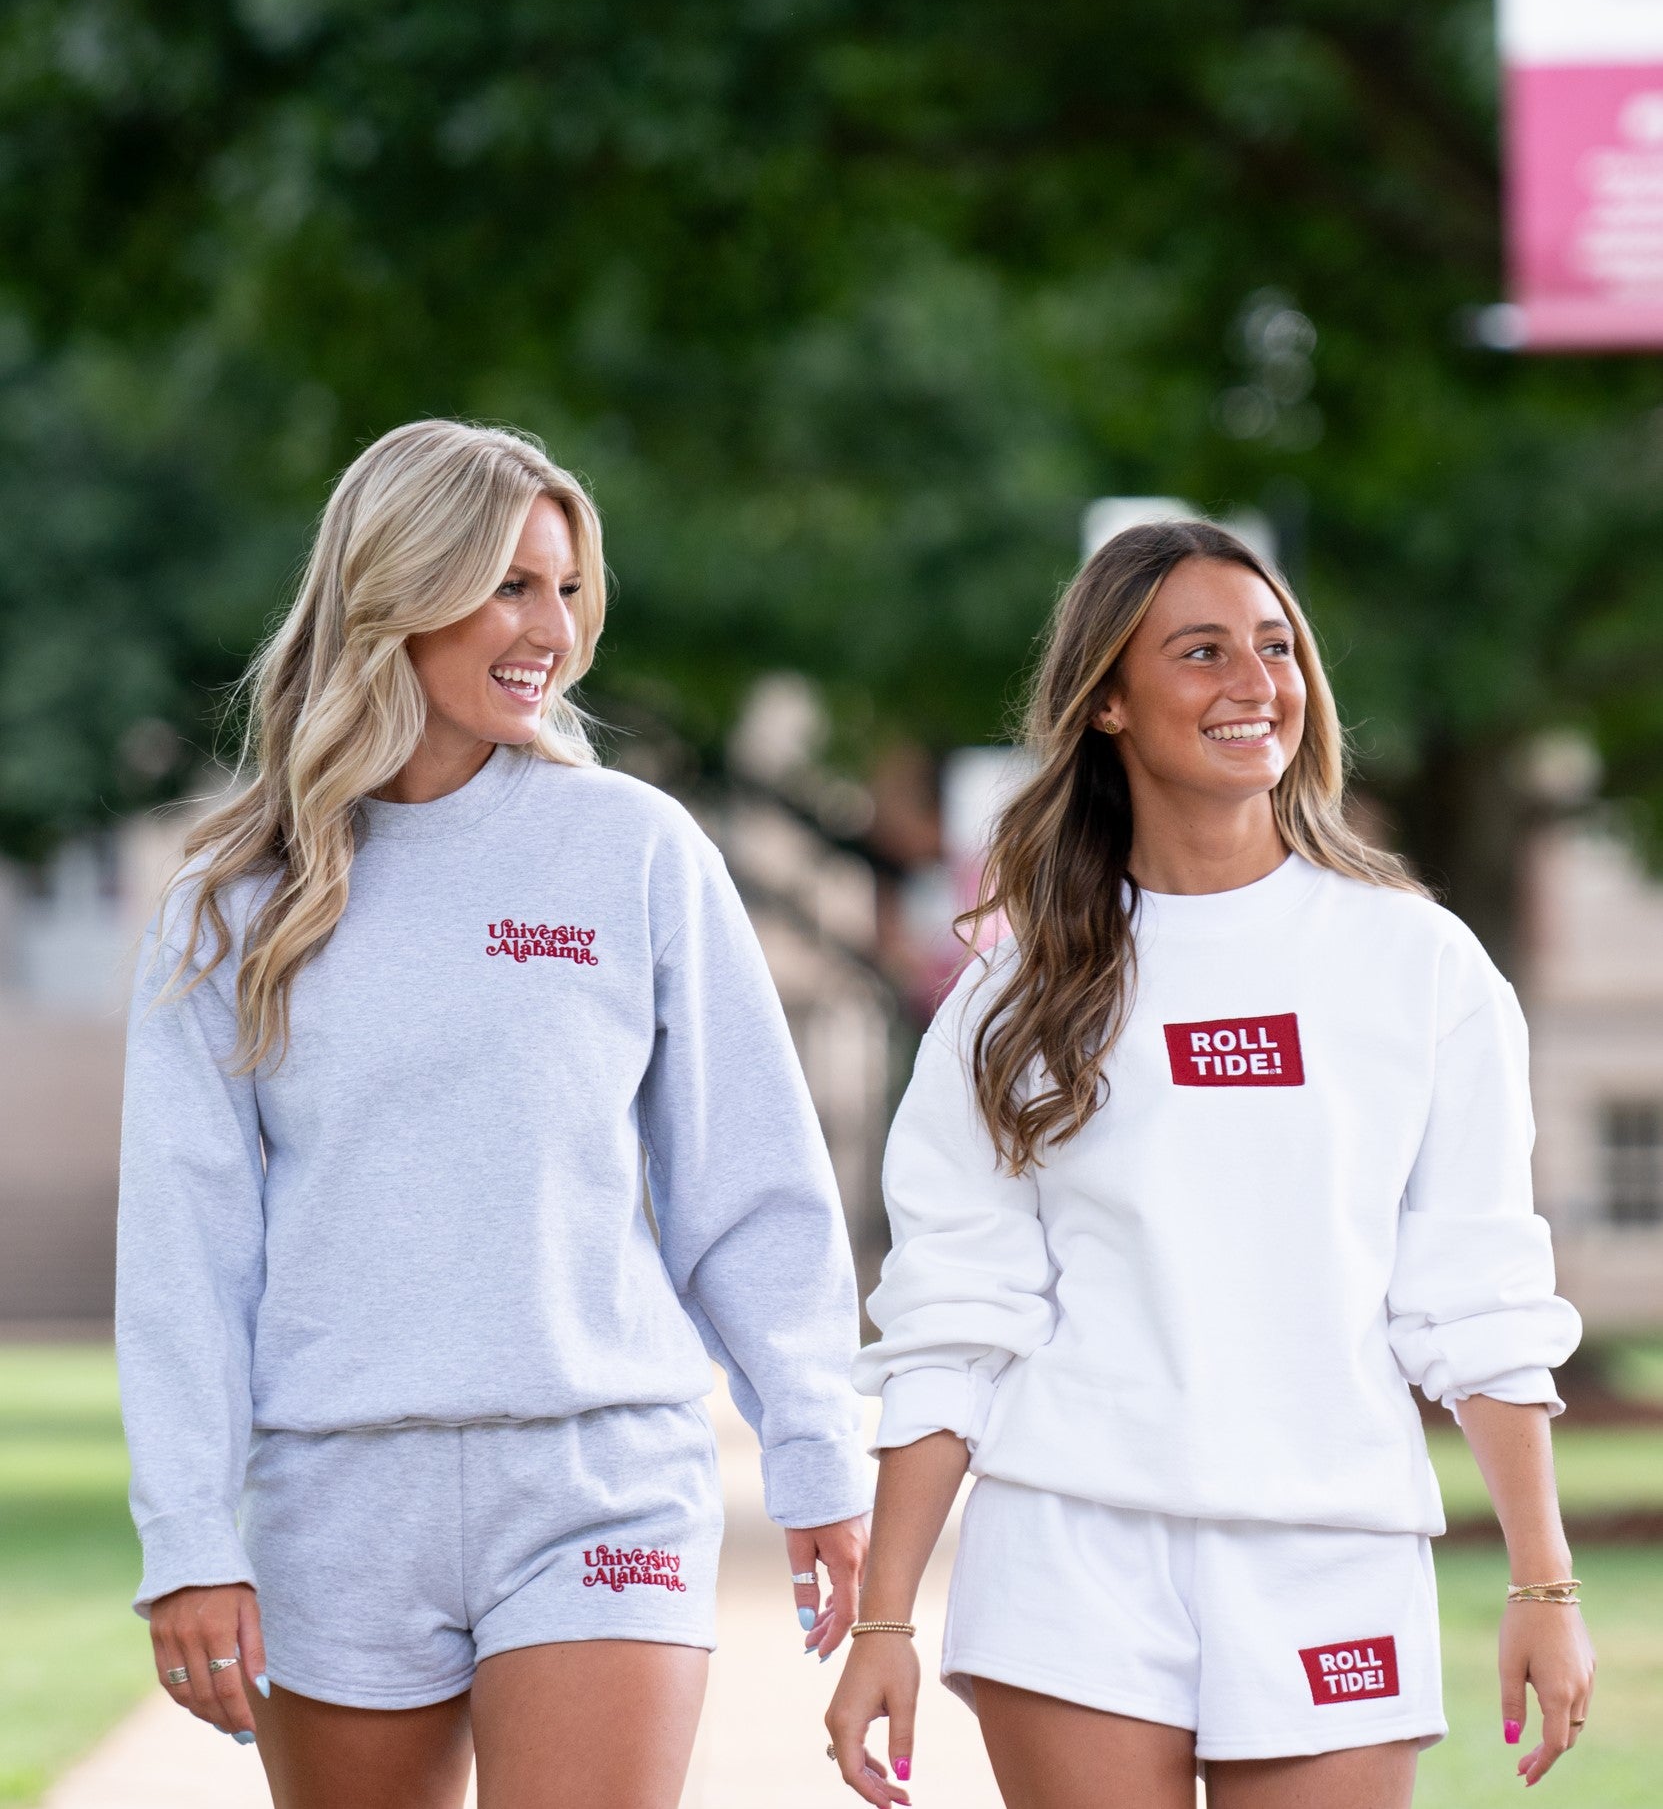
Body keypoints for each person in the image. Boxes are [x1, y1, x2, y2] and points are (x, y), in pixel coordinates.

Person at [117, 418, 871, 1809]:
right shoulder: (231, 905)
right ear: (397, 590)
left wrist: (819, 1446)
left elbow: (749, 1185)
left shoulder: (634, 851)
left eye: (568, 589)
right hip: (338, 1504)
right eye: (509, 585)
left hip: (602, 1481)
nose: (553, 630)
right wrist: (187, 1538)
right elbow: (186, 1250)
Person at [826, 519, 1593, 1809]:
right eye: (1202, 652)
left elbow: (1476, 1294)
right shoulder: (1015, 993)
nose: (1257, 682)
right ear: (1109, 703)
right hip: (1070, 1554)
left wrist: (1542, 1583)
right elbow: (953, 1318)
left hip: (1331, 1551)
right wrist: (886, 1621)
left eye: (1277, 647)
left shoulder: (1420, 968)